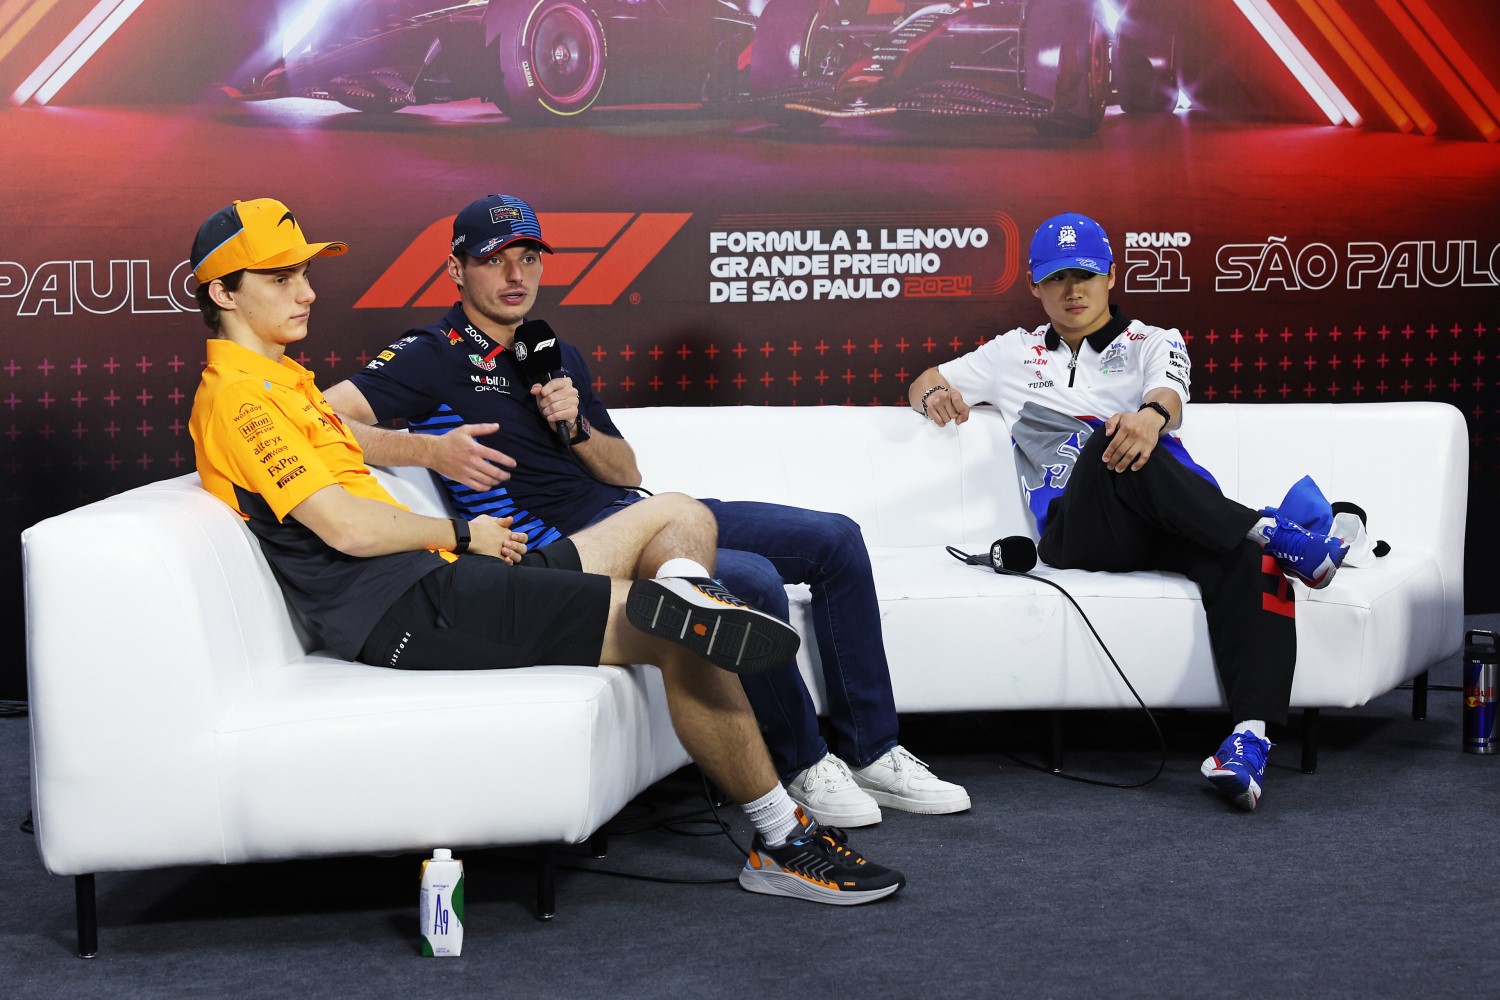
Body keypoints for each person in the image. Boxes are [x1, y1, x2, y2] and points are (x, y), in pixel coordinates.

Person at [185, 196, 904, 905]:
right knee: (682, 635)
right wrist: (458, 519)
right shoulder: (242, 399)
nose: (308, 292)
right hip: (407, 610)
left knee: (678, 514)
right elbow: (347, 528)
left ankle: (700, 598)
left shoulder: (285, 385)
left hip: (445, 582)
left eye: (304, 273)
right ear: (223, 291)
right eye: (281, 278)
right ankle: (783, 838)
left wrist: (556, 443)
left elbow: (625, 473)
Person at [321, 194, 970, 829]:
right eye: (496, 260)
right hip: (568, 548)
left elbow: (625, 472)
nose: (517, 275)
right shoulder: (432, 352)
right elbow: (322, 418)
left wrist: (573, 423)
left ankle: (874, 749)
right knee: (749, 582)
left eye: (529, 257)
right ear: (458, 270)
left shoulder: (550, 351)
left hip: (637, 510)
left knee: (835, 540)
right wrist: (428, 451)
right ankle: (803, 762)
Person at [906, 212, 1349, 812]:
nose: (1073, 290)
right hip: (1077, 531)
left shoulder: (1153, 340)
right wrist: (933, 393)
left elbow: (1168, 395)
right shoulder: (1013, 353)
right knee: (1108, 438)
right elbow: (926, 378)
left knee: (1252, 565)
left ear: (1111, 276)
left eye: (1085, 273)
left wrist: (1152, 416)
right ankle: (1268, 526)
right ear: (1035, 287)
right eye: (1057, 277)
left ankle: (1248, 740)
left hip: (1166, 523)